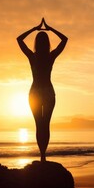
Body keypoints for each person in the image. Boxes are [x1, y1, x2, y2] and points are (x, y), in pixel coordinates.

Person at [17, 18, 68, 162]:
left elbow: (19, 39)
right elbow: (64, 40)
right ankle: (43, 156)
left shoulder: (32, 57)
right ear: (47, 43)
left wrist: (34, 28)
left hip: (35, 93)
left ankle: (42, 156)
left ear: (36, 43)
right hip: (48, 92)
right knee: (46, 124)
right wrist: (50, 29)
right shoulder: (50, 56)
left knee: (39, 125)